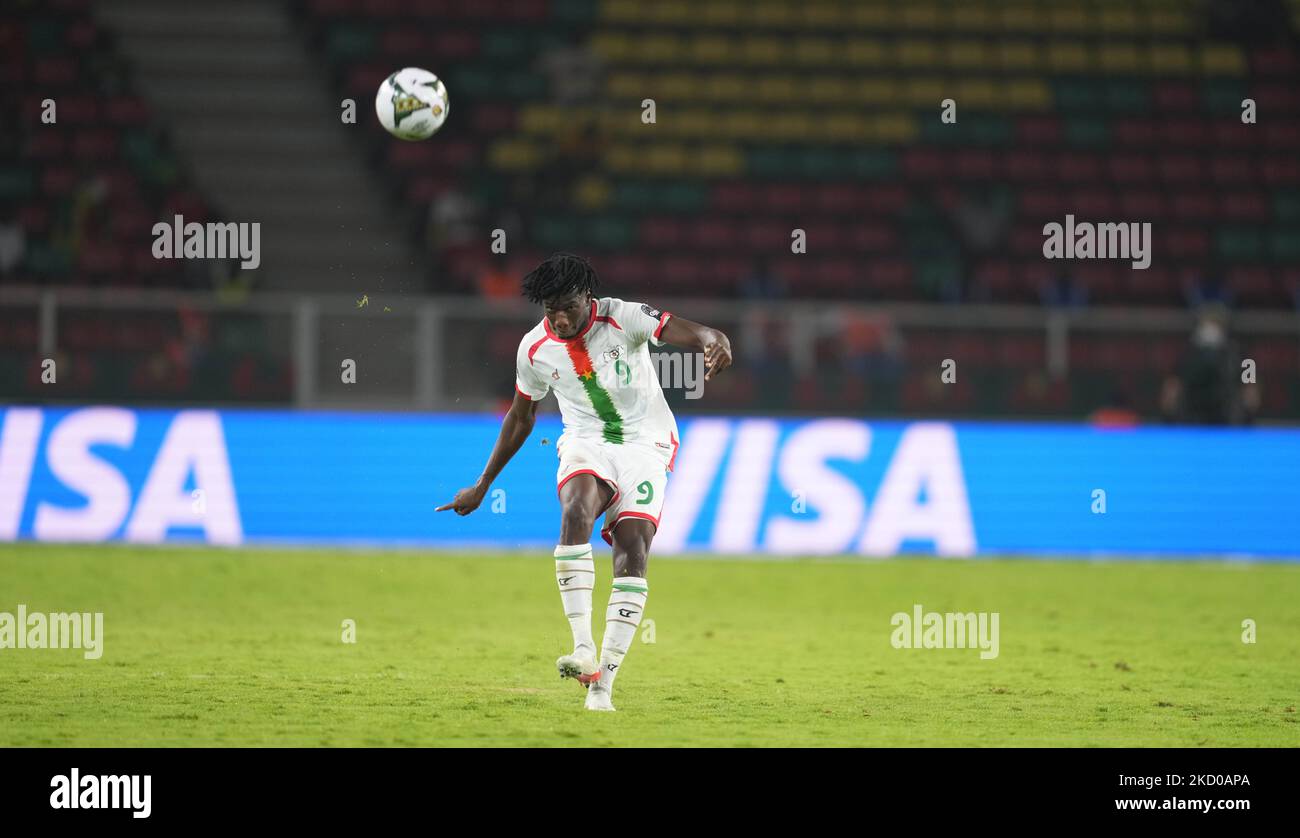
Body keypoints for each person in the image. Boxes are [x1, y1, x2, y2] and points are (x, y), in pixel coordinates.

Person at [437, 253, 733, 711]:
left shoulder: (624, 317)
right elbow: (521, 417)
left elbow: (692, 332)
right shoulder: (533, 349)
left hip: (647, 443)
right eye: (550, 309)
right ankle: (581, 646)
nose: (560, 318)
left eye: (569, 307)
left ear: (587, 298)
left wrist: (716, 339)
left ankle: (603, 684)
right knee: (575, 508)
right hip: (585, 440)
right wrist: (482, 485)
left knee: (632, 549)